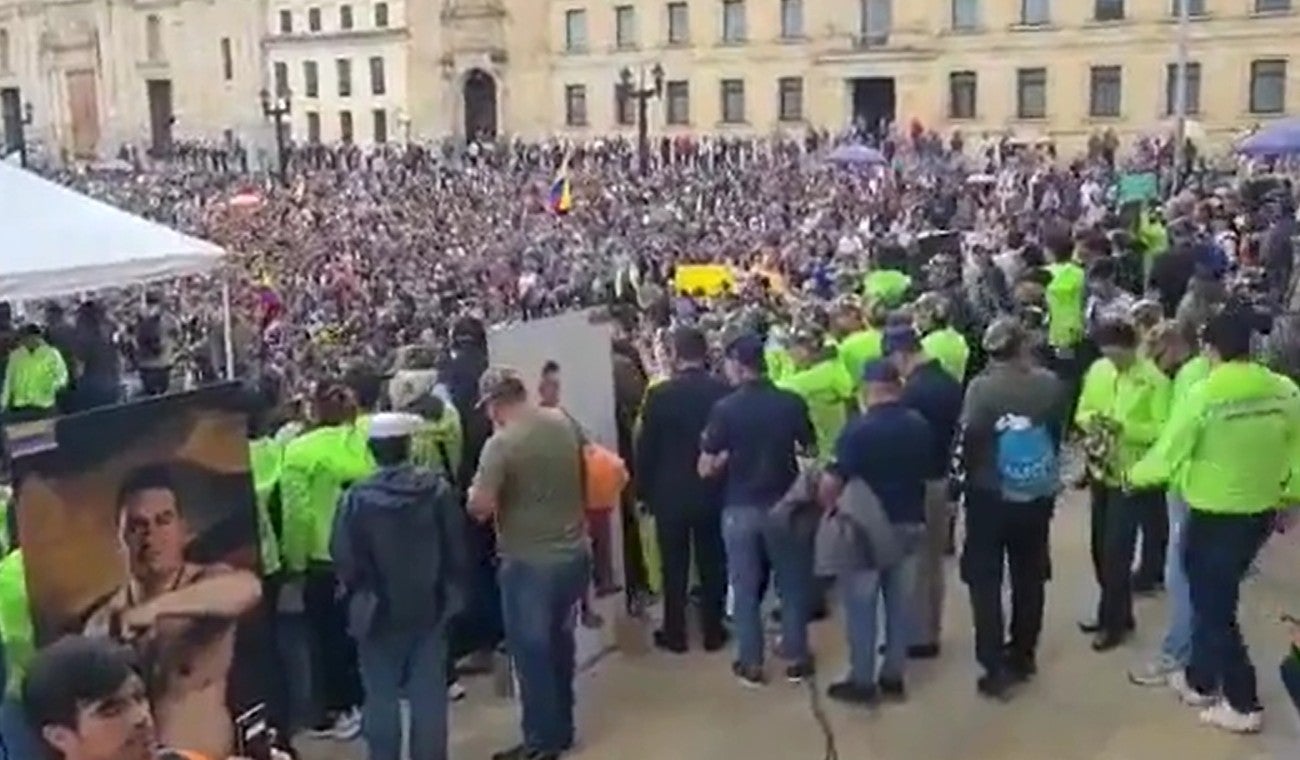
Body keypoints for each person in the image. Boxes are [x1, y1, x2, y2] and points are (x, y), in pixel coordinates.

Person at [1129, 311, 1300, 734]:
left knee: (1213, 608)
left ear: (1211, 349)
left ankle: (1243, 703)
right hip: (1259, 512)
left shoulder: (1205, 393)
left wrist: (1131, 477)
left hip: (1212, 513)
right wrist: (1290, 493)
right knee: (1215, 594)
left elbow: (1171, 452)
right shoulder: (1285, 390)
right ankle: (1200, 679)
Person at [80, 465, 262, 760]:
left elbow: (248, 589)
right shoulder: (101, 622)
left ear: (183, 530)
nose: (150, 536)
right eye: (137, 525)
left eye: (163, 521)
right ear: (120, 537)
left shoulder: (210, 582)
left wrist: (151, 611)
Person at [468, 368, 589, 760]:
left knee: (531, 654)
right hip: (573, 553)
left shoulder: (501, 445)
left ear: (495, 404)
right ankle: (563, 728)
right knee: (560, 644)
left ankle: (541, 742)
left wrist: (474, 490)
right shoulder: (562, 420)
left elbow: (481, 508)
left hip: (528, 562)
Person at [332, 412, 468, 760]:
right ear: (408, 446)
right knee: (428, 696)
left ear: (374, 450)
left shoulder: (357, 498)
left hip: (375, 612)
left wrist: (359, 592)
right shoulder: (436, 490)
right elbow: (456, 547)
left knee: (380, 696)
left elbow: (344, 555)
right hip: (430, 606)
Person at [699, 333, 816, 687]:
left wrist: (724, 457)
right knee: (792, 584)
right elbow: (810, 451)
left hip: (740, 506)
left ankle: (751, 662)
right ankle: (796, 656)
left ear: (737, 364)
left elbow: (705, 467)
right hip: (785, 504)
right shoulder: (791, 402)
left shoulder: (725, 410)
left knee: (745, 588)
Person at [958, 318, 1065, 700]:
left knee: (985, 580)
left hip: (990, 494)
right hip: (1036, 492)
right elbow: (1057, 431)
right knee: (1029, 574)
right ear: (1023, 346)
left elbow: (970, 438)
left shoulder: (981, 390)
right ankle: (1023, 653)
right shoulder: (1048, 384)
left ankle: (992, 662)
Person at [818, 359, 931, 705]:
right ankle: (893, 675)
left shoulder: (858, 430)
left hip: (865, 529)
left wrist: (829, 508)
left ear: (869, 389)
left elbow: (830, 482)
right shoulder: (918, 425)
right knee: (899, 604)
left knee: (861, 605)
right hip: (910, 521)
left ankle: (863, 680)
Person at [1075, 320, 1170, 651]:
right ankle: (1116, 611)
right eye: (1108, 357)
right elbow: (1082, 410)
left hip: (1132, 476)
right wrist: (1094, 423)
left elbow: (1162, 431)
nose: (1114, 363)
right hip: (1100, 469)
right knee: (1100, 547)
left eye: (1119, 357)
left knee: (1117, 551)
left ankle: (1113, 622)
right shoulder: (1099, 370)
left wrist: (1123, 428)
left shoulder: (1154, 381)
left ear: (1133, 349)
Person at [635, 326, 731, 654]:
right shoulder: (722, 391)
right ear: (704, 353)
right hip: (712, 490)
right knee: (712, 561)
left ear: (675, 355)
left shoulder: (660, 396)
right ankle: (713, 630)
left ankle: (674, 631)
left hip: (669, 492)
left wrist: (643, 491)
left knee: (673, 566)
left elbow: (645, 448)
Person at [887, 325, 962, 658]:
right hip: (943, 475)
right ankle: (929, 630)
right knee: (932, 563)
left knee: (915, 564)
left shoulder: (914, 392)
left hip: (921, 481)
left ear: (901, 354)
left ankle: (919, 637)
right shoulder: (947, 382)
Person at [1, 325, 69, 421]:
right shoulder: (16, 356)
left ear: (38, 337)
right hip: (22, 407)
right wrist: (3, 403)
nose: (29, 341)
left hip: (44, 405)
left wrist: (53, 387)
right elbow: (9, 380)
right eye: (26, 338)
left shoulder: (51, 353)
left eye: (32, 337)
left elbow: (62, 375)